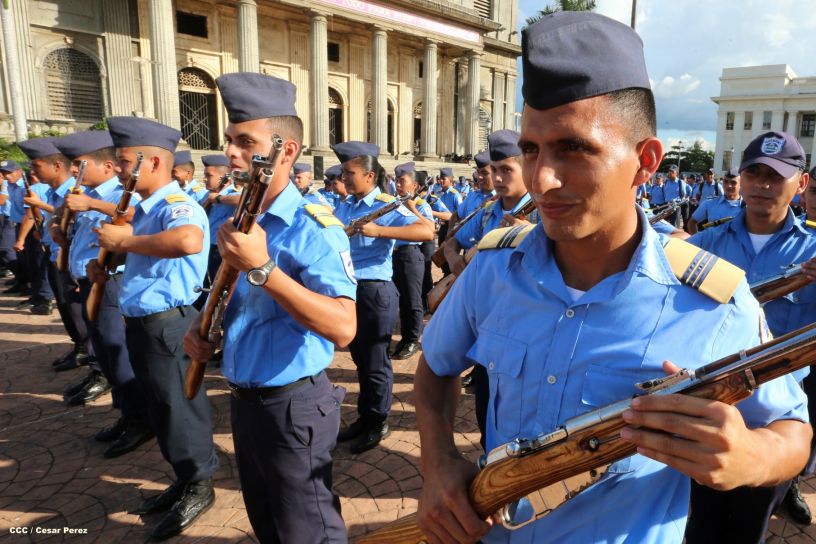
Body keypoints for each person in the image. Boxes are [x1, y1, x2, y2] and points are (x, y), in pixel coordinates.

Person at [414, 12, 810, 544]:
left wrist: (748, 457)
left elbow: (793, 430)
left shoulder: (715, 300)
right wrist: (438, 459)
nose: (543, 179)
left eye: (574, 148)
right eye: (531, 149)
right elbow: (436, 369)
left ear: (645, 161)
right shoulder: (493, 268)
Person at [183, 72, 356, 544]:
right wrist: (206, 335)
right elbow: (238, 309)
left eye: (246, 142)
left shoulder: (314, 228)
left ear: (287, 151)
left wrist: (263, 269)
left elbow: (344, 328)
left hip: (293, 407)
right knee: (268, 525)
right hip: (245, 401)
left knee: (308, 532)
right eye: (229, 141)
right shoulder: (239, 217)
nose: (232, 154)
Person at [88, 116, 217, 540]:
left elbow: (187, 242)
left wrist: (124, 242)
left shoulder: (175, 205)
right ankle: (183, 477)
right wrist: (112, 261)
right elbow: (148, 260)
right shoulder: (144, 210)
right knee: (162, 408)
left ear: (155, 163)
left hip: (168, 324)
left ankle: (199, 484)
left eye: (125, 162)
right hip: (143, 322)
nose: (120, 170)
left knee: (179, 408)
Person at [686, 131, 816, 539]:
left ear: (801, 183)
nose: (762, 184)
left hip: (774, 423)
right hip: (708, 411)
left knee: (749, 530)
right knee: (701, 524)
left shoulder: (813, 251)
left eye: (776, 176)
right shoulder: (704, 243)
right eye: (754, 172)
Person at [53, 130, 153, 458]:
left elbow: (138, 220)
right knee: (105, 354)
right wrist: (59, 227)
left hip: (112, 282)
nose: (73, 171)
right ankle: (126, 413)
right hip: (91, 279)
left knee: (117, 351)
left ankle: (139, 419)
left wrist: (92, 204)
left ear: (107, 167)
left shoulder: (124, 194)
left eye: (80, 164)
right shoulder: (89, 193)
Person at [333, 141, 434, 454]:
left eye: (350, 174)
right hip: (349, 289)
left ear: (370, 176)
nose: (345, 179)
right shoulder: (347, 205)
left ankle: (378, 420)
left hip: (374, 290)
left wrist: (379, 231)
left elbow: (426, 230)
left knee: (376, 361)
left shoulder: (387, 204)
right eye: (343, 173)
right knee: (360, 358)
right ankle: (366, 416)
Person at [19, 138, 92, 372]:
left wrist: (41, 206)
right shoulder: (53, 191)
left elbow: (73, 222)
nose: (33, 171)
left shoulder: (74, 191)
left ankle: (90, 354)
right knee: (65, 307)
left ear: (57, 165)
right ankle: (80, 347)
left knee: (78, 310)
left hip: (70, 258)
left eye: (36, 165)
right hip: (54, 255)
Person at [391, 161, 435, 360]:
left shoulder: (421, 204)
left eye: (402, 181)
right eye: (397, 181)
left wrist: (412, 209)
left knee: (413, 299)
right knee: (402, 299)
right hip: (395, 254)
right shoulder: (392, 203)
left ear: (415, 186)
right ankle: (404, 338)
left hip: (411, 254)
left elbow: (430, 229)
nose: (398, 185)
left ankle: (412, 340)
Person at [14, 167, 54, 316]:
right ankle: (40, 296)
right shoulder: (51, 187)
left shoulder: (34, 189)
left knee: (39, 265)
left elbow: (30, 216)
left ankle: (44, 299)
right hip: (47, 228)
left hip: (39, 229)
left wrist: (20, 240)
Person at [1, 161, 29, 294]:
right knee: (16, 254)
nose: (7, 176)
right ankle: (22, 280)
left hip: (25, 224)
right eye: (4, 173)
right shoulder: (10, 185)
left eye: (9, 172)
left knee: (7, 250)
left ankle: (25, 281)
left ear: (19, 171)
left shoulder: (26, 186)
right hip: (13, 222)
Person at [688, 167, 743, 234]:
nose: (729, 185)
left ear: (741, 184)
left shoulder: (747, 208)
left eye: (733, 182)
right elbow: (691, 223)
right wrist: (698, 241)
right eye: (725, 181)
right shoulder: (709, 204)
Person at [457, 151, 495, 219]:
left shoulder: (502, 199)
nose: (479, 177)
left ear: (496, 173)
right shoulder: (472, 196)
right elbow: (456, 216)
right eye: (478, 172)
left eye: (484, 173)